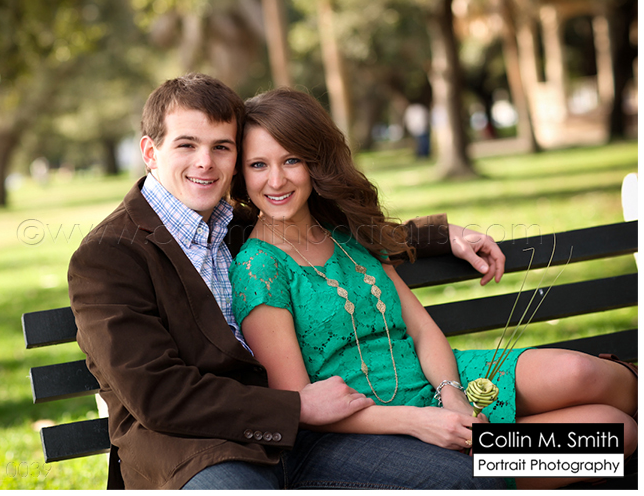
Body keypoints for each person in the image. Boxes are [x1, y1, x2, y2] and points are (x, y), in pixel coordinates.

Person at [68, 73, 509, 490]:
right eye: (187, 145)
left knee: (493, 465)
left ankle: (542, 456)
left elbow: (324, 237)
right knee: (477, 472)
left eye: (221, 147)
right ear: (150, 152)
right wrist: (296, 406)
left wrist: (440, 235)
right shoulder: (108, 256)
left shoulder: (232, 224)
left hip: (305, 437)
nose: (205, 162)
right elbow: (159, 395)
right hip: (194, 453)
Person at [228, 87, 638, 490]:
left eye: (292, 160)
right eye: (258, 165)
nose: (276, 180)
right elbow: (300, 403)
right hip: (378, 424)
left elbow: (423, 330)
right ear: (240, 174)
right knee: (613, 434)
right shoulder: (258, 267)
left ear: (316, 163)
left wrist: (452, 395)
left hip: (441, 378)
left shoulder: (348, 232)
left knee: (583, 373)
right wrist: (425, 421)